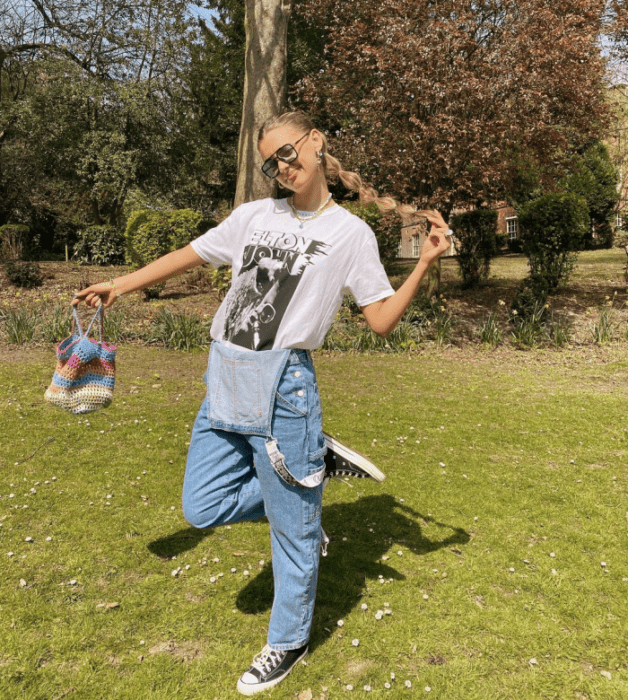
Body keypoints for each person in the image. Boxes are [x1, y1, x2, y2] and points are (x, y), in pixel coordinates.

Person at [72, 110, 453, 695]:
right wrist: (118, 287)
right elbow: (192, 253)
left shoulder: (351, 234)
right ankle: (312, 478)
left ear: (317, 143)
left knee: (295, 535)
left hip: (284, 389)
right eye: (270, 161)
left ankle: (288, 640)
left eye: (288, 152)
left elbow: (378, 321)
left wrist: (424, 262)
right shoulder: (254, 216)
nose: (282, 166)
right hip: (224, 374)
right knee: (202, 504)